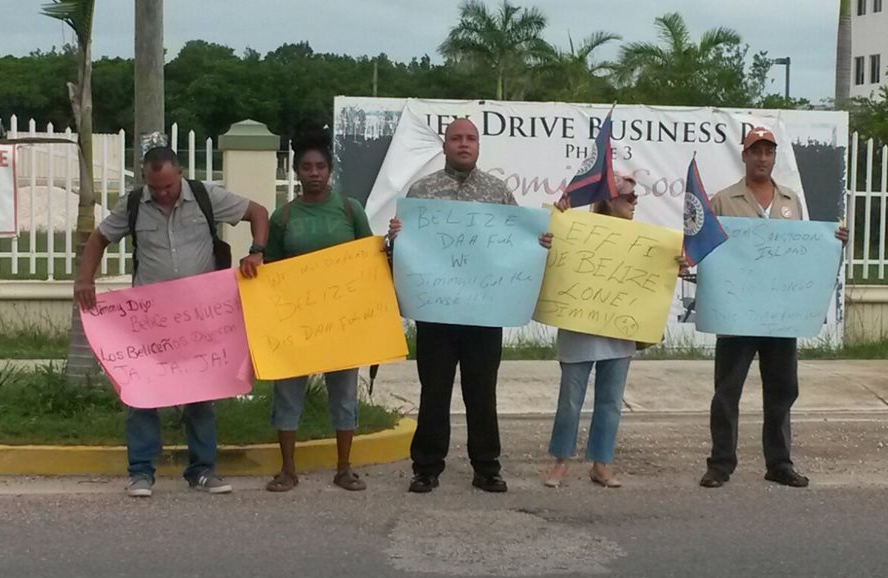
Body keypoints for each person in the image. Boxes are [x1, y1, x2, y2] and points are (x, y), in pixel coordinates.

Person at [75, 145, 268, 498]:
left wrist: (257, 250)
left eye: (167, 186)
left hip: (200, 315)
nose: (162, 193)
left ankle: (203, 470)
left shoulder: (205, 196)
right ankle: (141, 472)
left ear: (179, 173)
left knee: (200, 394)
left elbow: (258, 212)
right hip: (149, 318)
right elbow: (99, 239)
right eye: (155, 187)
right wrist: (85, 280)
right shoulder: (134, 204)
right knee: (141, 394)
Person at [397, 118, 552, 494]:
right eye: (456, 138)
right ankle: (426, 467)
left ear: (479, 146)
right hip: (436, 313)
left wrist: (539, 242)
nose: (463, 144)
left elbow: (518, 243)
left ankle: (487, 467)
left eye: (470, 139)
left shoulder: (497, 192)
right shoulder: (423, 191)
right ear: (445, 145)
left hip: (484, 314)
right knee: (434, 392)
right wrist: (397, 236)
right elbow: (408, 248)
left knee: (482, 393)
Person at [699, 126, 848, 489]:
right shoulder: (723, 200)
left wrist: (834, 240)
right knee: (727, 392)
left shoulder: (790, 200)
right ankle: (721, 464)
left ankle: (779, 463)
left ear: (774, 157)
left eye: (768, 152)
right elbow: (707, 246)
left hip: (780, 314)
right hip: (737, 312)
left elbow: (802, 249)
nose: (762, 158)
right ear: (745, 155)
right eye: (755, 152)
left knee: (781, 391)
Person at [262, 132, 399, 492]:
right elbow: (271, 270)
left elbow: (370, 261)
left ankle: (344, 468)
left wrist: (388, 248)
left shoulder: (349, 210)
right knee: (288, 394)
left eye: (320, 166)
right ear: (296, 173)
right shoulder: (283, 216)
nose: (313, 173)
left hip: (343, 321)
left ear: (330, 171)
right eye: (306, 167)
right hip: (296, 323)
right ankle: (287, 470)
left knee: (343, 394)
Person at [544, 175, 658, 489]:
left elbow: (653, 276)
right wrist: (558, 219)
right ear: (609, 199)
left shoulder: (643, 239)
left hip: (618, 334)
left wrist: (673, 261)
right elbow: (554, 253)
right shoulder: (576, 230)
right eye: (629, 197)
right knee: (570, 401)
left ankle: (601, 463)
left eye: (636, 198)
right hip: (579, 329)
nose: (634, 203)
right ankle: (561, 462)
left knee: (610, 402)